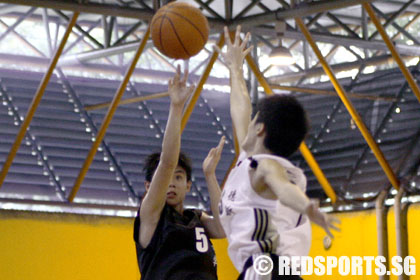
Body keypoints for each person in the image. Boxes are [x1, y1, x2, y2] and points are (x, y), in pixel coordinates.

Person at [208, 26, 340, 279]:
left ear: (259, 129)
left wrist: (308, 208)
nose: (246, 122)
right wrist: (235, 68)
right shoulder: (251, 161)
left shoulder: (265, 166)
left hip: (266, 268)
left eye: (253, 119)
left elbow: (283, 188)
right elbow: (240, 108)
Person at [133, 66, 225, 280]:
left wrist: (210, 175)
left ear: (188, 185)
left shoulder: (196, 217)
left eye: (179, 177)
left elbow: (223, 228)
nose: (172, 183)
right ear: (149, 186)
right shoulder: (151, 215)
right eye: (167, 178)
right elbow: (167, 162)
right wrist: (177, 107)